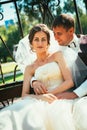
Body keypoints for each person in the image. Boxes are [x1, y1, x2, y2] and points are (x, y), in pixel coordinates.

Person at [0, 24, 76, 130]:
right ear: (31, 43)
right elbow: (24, 95)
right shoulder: (29, 68)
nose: (40, 43)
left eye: (43, 39)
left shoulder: (57, 56)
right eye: (36, 39)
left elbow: (69, 82)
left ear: (48, 43)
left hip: (61, 98)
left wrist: (50, 94)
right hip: (41, 102)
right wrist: (41, 97)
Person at [31, 13, 87, 99]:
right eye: (54, 33)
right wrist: (34, 81)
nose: (55, 38)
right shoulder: (55, 49)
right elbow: (40, 65)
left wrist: (75, 94)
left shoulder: (85, 42)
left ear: (71, 31)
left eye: (59, 34)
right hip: (61, 96)